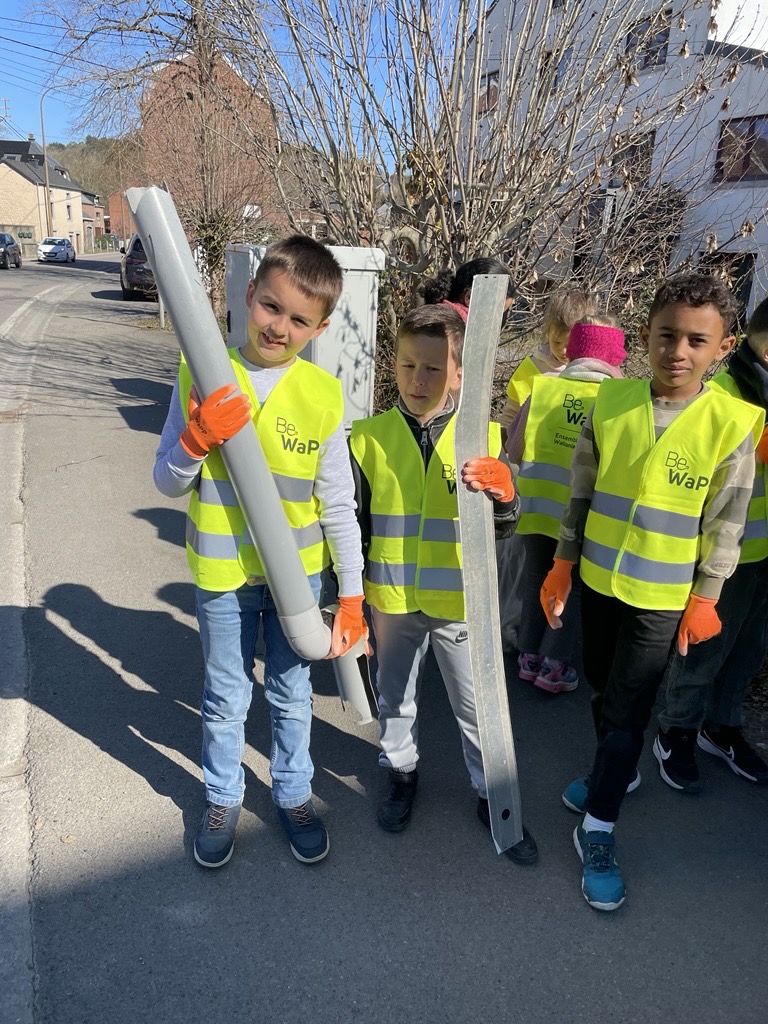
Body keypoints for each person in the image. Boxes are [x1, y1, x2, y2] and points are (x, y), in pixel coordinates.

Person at [540, 273, 763, 911]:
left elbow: (727, 520)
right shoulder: (611, 403)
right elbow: (581, 490)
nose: (679, 351)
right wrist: (562, 563)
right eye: (667, 336)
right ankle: (617, 769)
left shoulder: (731, 422)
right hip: (597, 580)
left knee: (629, 709)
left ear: (724, 348)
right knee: (600, 686)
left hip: (663, 596)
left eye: (697, 341)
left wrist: (707, 596)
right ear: (644, 336)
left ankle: (599, 825)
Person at [153, 235, 367, 869]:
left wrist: (351, 594)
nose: (279, 327)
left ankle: (294, 794)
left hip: (297, 584)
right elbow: (166, 480)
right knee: (225, 696)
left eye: (299, 319)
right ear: (249, 295)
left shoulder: (323, 395)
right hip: (223, 575)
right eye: (271, 306)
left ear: (320, 328)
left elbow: (338, 505)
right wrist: (195, 441)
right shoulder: (201, 370)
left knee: (291, 694)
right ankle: (223, 797)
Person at [349, 304, 538, 865]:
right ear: (394, 364)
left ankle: (491, 795)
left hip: (460, 601)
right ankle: (400, 773)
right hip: (391, 599)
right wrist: (348, 601)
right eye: (407, 364)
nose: (417, 379)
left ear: (459, 374)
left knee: (477, 707)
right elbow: (353, 527)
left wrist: (507, 494)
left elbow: (505, 526)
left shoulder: (482, 437)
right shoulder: (368, 438)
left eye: (433, 368)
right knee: (395, 697)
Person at [654, 295, 768, 791]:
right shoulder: (722, 397)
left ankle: (721, 728)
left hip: (763, 553)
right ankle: (676, 730)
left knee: (749, 651)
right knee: (704, 651)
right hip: (727, 555)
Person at [506, 316, 626, 693]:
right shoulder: (619, 401)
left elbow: (513, 447)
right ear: (614, 358)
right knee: (570, 584)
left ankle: (528, 656)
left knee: (536, 577)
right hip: (585, 515)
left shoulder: (544, 388)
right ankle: (554, 666)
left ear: (573, 350)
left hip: (537, 506)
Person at [498, 289, 597, 430]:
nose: (563, 351)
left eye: (571, 344)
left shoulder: (596, 374)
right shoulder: (532, 369)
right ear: (548, 333)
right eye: (556, 342)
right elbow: (510, 415)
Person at [421, 258, 515, 324]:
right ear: (469, 298)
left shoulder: (434, 316)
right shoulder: (452, 329)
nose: (496, 321)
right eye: (495, 312)